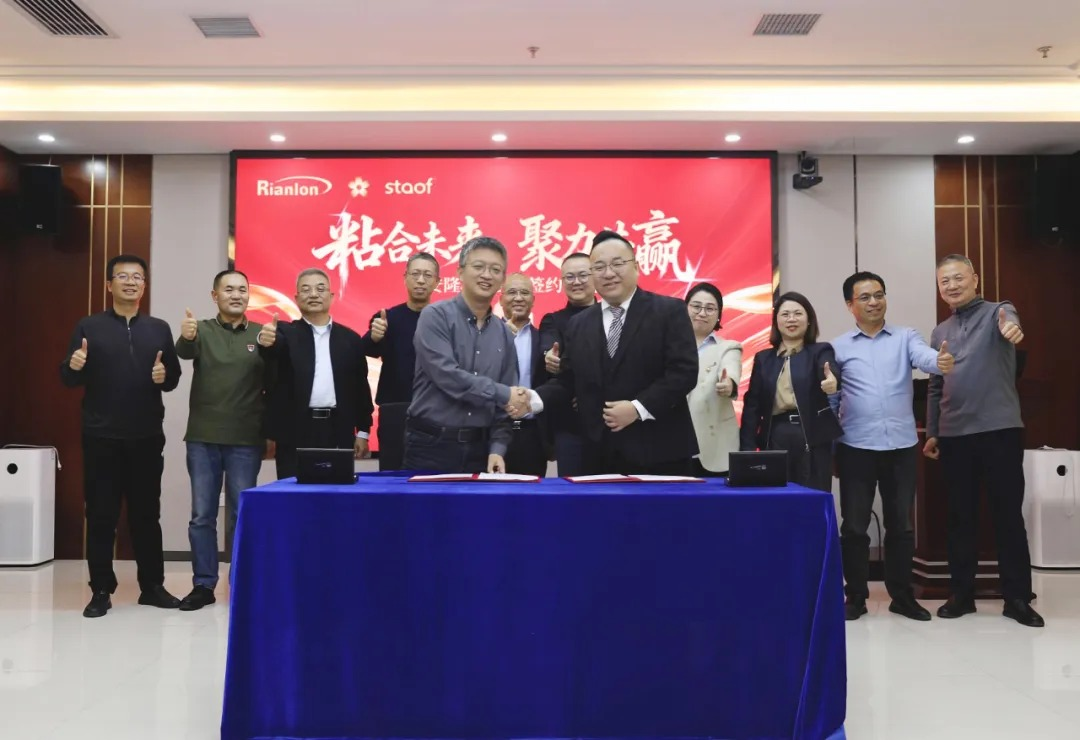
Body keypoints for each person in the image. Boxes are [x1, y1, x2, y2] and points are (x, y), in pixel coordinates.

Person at [59, 254, 183, 618]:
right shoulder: (89, 326)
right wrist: (73, 365)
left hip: (146, 436)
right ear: (109, 285)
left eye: (137, 277)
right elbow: (68, 377)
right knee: (101, 515)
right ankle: (101, 589)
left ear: (144, 286)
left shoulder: (158, 328)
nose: (131, 282)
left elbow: (173, 378)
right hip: (102, 437)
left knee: (147, 514)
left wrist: (164, 376)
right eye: (123, 276)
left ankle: (152, 586)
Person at [924, 254, 1043, 627]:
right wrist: (933, 431)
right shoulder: (939, 332)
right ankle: (962, 595)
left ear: (974, 278)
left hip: (999, 431)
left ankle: (1017, 598)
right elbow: (935, 386)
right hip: (954, 435)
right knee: (960, 517)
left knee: (1007, 516)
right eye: (944, 281)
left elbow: (1012, 323)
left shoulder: (998, 312)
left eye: (958, 277)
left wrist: (1012, 328)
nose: (952, 285)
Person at [830, 271, 954, 622]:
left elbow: (924, 357)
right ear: (850, 305)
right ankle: (855, 596)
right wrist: (832, 448)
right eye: (865, 297)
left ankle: (902, 596)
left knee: (900, 525)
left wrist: (939, 361)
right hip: (855, 447)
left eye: (879, 295)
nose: (874, 302)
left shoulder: (905, 337)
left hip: (900, 446)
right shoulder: (838, 347)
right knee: (854, 526)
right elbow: (832, 399)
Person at [532, 231, 698, 475]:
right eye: (599, 267)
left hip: (660, 451)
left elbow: (684, 372)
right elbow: (568, 380)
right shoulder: (579, 323)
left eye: (617, 264)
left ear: (636, 267)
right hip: (598, 455)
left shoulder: (669, 311)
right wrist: (532, 399)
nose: (608, 273)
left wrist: (638, 408)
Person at [174, 269, 269, 611]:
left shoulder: (261, 334)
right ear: (215, 296)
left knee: (241, 514)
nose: (236, 295)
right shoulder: (201, 330)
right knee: (202, 515)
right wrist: (186, 336)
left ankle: (241, 581)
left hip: (246, 439)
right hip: (203, 438)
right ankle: (203, 584)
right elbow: (184, 351)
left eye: (242, 289)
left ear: (249, 295)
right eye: (228, 290)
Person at [404, 236, 536, 474]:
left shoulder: (504, 334)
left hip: (481, 450)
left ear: (502, 280)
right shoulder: (435, 316)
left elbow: (505, 403)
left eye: (495, 270)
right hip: (431, 446)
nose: (487, 275)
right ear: (460, 272)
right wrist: (505, 393)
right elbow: (448, 376)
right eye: (479, 267)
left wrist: (497, 448)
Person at [259, 268, 374, 480]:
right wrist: (266, 340)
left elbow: (360, 389)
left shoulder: (350, 339)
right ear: (296, 298)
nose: (313, 294)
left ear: (331, 296)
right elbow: (273, 348)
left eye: (320, 289)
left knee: (335, 491)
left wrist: (363, 431)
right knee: (293, 491)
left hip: (338, 428)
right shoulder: (284, 332)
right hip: (295, 429)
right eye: (306, 289)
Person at [740, 291, 841, 492]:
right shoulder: (763, 359)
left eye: (798, 313)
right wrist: (747, 449)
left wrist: (833, 381)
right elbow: (752, 407)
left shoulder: (820, 350)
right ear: (776, 321)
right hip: (775, 435)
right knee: (775, 499)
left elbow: (829, 370)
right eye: (785, 314)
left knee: (812, 498)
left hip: (812, 437)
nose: (791, 319)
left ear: (809, 320)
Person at [360, 253, 440, 470]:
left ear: (437, 282)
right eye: (415, 274)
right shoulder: (388, 318)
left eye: (427, 275)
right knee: (392, 476)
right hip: (395, 412)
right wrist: (374, 336)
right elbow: (365, 349)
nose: (421, 280)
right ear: (405, 278)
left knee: (432, 478)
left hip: (436, 412)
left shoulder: (445, 319)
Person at [538, 252, 596, 476]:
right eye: (569, 277)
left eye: (583, 275)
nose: (576, 282)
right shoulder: (554, 320)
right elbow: (549, 345)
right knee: (572, 489)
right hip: (570, 427)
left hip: (612, 423)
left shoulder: (614, 317)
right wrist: (549, 356)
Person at [684, 283, 742, 477]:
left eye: (710, 308)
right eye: (696, 306)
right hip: (672, 443)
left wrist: (729, 384)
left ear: (719, 315)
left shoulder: (728, 347)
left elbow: (731, 369)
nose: (702, 313)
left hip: (713, 446)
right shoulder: (668, 345)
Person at [500, 273, 549, 477]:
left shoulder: (545, 339)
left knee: (532, 492)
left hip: (532, 434)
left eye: (524, 293)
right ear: (501, 298)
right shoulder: (485, 337)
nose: (518, 298)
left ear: (533, 300)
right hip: (493, 431)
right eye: (512, 292)